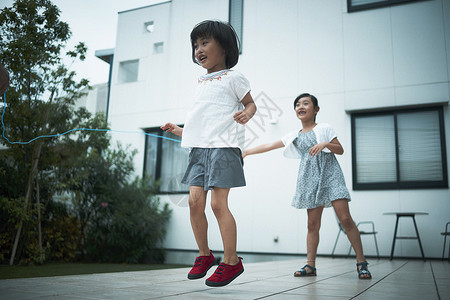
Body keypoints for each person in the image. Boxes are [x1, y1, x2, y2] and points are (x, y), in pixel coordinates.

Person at [161, 20, 256, 287]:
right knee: (193, 202)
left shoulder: (234, 77)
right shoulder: (201, 81)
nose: (198, 49)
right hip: (200, 149)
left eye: (204, 43)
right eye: (195, 45)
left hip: (224, 147)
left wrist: (246, 114)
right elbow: (203, 123)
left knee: (217, 204)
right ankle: (205, 255)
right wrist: (180, 130)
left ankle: (231, 261)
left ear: (224, 47)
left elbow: (251, 104)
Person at [243, 93, 372, 280]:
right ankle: (310, 266)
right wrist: (247, 151)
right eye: (297, 104)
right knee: (312, 225)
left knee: (345, 219)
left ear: (316, 109)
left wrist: (325, 143)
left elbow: (340, 149)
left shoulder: (325, 128)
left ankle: (361, 262)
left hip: (331, 177)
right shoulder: (294, 135)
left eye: (305, 103)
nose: (300, 107)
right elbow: (271, 144)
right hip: (309, 180)